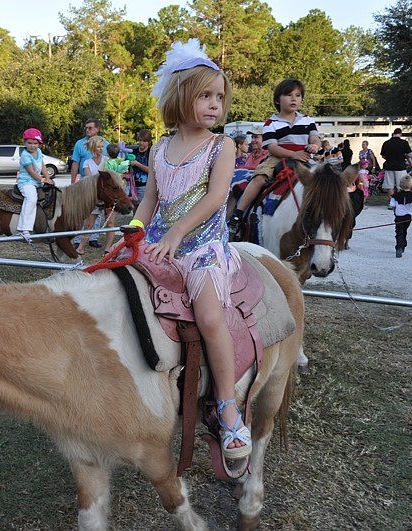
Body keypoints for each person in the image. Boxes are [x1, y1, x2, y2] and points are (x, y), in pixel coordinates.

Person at [133, 39, 250, 460]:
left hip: (201, 245)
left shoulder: (222, 146)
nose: (215, 105)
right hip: (160, 240)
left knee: (209, 316)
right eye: (205, 95)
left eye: (220, 97)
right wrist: (133, 230)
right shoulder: (161, 147)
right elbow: (150, 199)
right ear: (181, 97)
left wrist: (178, 232)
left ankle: (228, 406)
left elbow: (216, 198)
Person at [227, 78, 321, 236]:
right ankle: (237, 215)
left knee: (325, 181)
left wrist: (315, 145)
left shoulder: (307, 120)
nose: (294, 98)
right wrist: (293, 154)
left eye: (298, 95)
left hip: (304, 159)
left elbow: (315, 137)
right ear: (278, 99)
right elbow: (272, 147)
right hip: (279, 158)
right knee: (259, 178)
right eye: (289, 95)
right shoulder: (271, 123)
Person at [70, 118, 107, 248]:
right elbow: (75, 163)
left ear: (97, 129)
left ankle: (93, 238)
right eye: (86, 128)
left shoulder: (105, 143)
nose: (87, 130)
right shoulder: (79, 144)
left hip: (101, 186)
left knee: (97, 213)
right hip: (85, 183)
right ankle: (78, 239)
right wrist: (73, 181)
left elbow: (110, 163)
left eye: (90, 128)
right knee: (83, 212)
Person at [75, 136, 113, 254]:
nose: (101, 149)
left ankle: (108, 249)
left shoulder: (107, 160)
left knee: (110, 222)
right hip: (95, 197)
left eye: (102, 147)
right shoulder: (87, 163)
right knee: (89, 224)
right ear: (92, 148)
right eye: (98, 146)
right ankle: (80, 248)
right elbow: (91, 179)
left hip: (108, 197)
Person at [16, 128, 50, 240]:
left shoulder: (39, 152)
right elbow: (31, 172)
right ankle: (24, 229)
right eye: (29, 143)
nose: (32, 146)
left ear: (39, 144)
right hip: (26, 182)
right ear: (24, 143)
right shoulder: (25, 155)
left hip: (37, 181)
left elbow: (42, 165)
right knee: (31, 198)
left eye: (35, 143)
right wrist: (43, 180)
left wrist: (48, 177)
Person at [389, 174, 412, 257]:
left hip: (399, 216)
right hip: (408, 217)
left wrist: (395, 211)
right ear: (411, 185)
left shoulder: (395, 196)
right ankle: (403, 245)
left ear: (400, 184)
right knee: (404, 230)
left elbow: (392, 205)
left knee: (399, 232)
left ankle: (399, 246)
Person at [379, 128, 412, 199]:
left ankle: (391, 203)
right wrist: (404, 157)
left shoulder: (386, 143)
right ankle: (400, 202)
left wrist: (388, 159)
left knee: (390, 186)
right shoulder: (404, 142)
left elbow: (383, 155)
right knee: (401, 185)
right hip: (401, 166)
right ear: (400, 134)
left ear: (393, 133)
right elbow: (409, 154)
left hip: (389, 166)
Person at [128, 129, 152, 209]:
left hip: (145, 186)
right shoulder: (132, 151)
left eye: (144, 141)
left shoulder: (151, 153)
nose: (141, 143)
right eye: (140, 140)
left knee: (142, 208)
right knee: (134, 208)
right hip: (132, 185)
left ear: (149, 142)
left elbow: (151, 170)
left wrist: (137, 164)